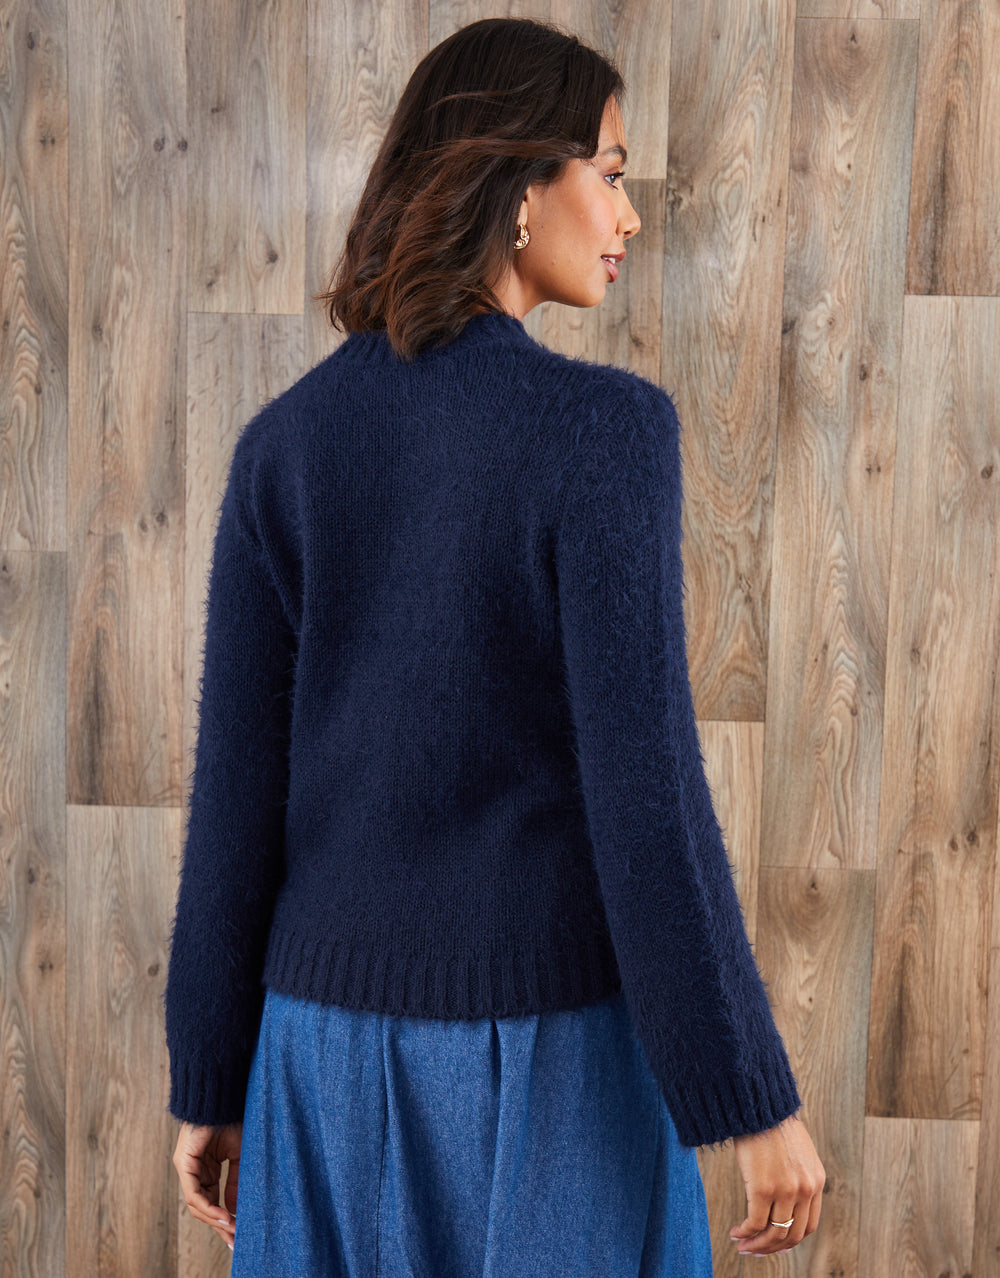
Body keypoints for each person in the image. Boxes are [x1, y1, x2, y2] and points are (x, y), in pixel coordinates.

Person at [164, 16, 825, 1275]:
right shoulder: (602, 434)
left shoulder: (284, 446)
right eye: (610, 174)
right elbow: (647, 800)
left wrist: (210, 1076)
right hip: (546, 1056)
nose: (628, 217)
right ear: (522, 188)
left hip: (314, 1060)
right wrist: (749, 1099)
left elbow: (233, 797)